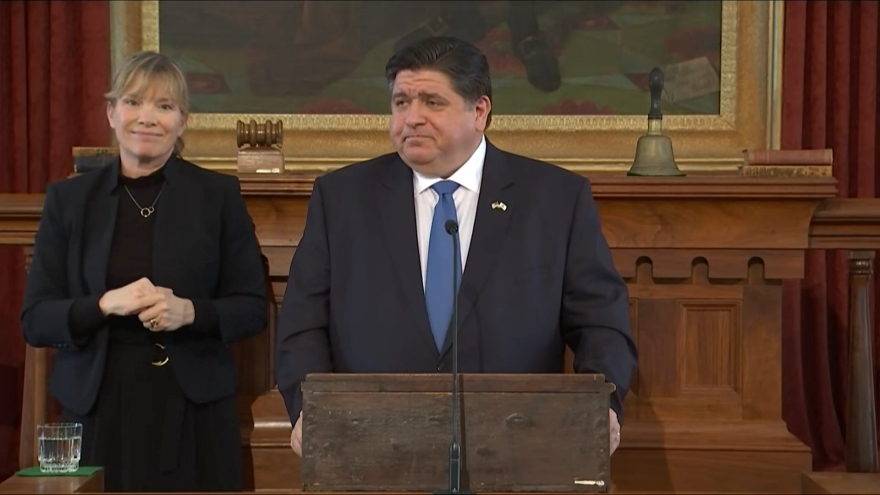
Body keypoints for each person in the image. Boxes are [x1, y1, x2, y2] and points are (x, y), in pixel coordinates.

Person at [276, 36, 637, 458]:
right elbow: (302, 324)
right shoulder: (342, 198)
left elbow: (601, 322)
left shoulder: (554, 199)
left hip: (517, 445)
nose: (411, 118)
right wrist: (308, 409)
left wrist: (602, 406)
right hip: (371, 447)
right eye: (400, 102)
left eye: (432, 102)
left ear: (479, 111)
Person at [20, 51, 268, 492]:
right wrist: (103, 304)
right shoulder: (69, 200)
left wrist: (188, 311)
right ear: (111, 112)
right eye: (133, 102)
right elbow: (36, 319)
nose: (147, 118)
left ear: (183, 120)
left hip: (192, 410)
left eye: (164, 106)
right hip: (96, 409)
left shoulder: (217, 196)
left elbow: (252, 309)